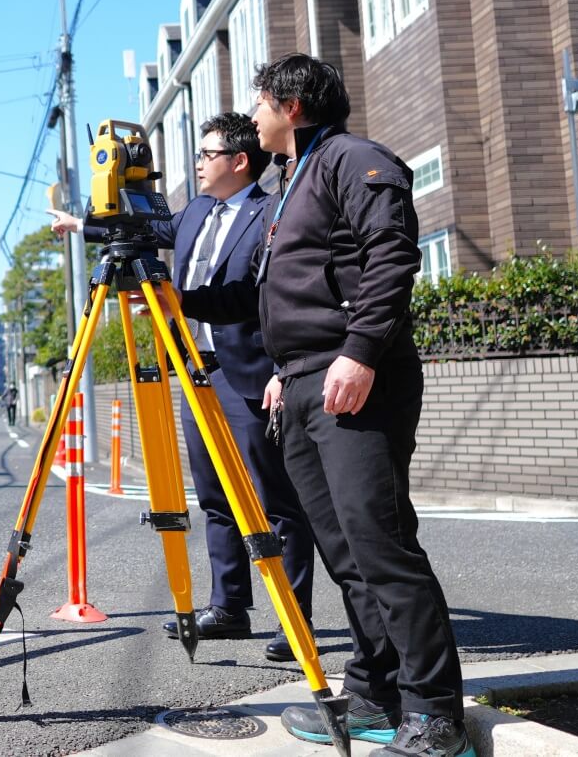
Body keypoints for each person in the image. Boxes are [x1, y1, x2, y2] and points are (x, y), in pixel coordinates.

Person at [184, 53, 469, 757]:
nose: (252, 117)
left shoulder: (352, 159)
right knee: (344, 554)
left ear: (293, 106)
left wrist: (360, 351)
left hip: (356, 379)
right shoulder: (290, 181)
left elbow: (394, 256)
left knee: (380, 545)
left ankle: (436, 713)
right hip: (306, 382)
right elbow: (261, 296)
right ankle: (374, 695)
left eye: (260, 103)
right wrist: (183, 305)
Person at [48, 111, 314, 664]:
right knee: (215, 496)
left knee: (276, 502)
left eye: (207, 154)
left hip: (254, 373)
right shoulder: (194, 211)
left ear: (240, 162)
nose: (195, 163)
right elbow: (145, 230)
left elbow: (260, 298)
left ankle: (294, 618)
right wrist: (80, 226)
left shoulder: (270, 215)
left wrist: (279, 371)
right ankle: (230, 605)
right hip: (198, 370)